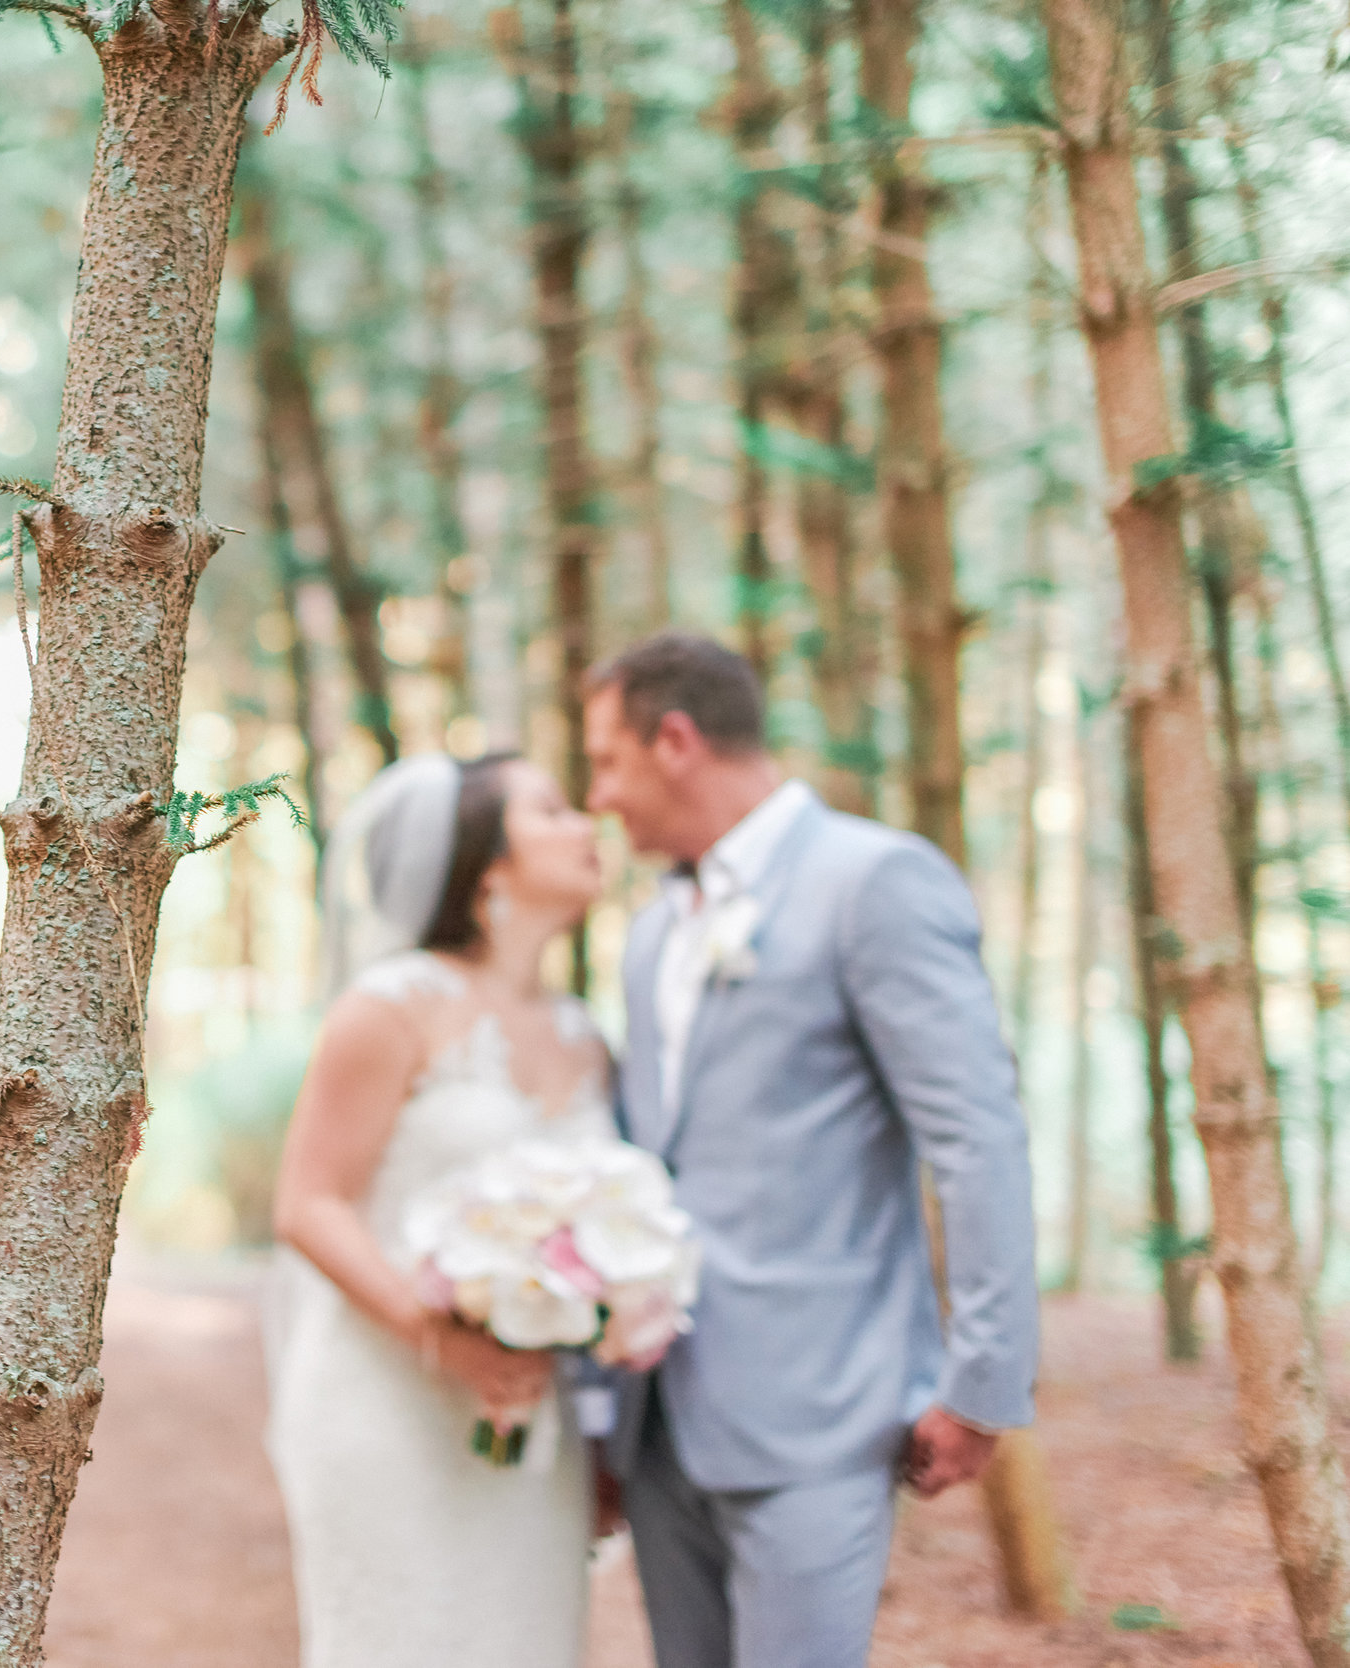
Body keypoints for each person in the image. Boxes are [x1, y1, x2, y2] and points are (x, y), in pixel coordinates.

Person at [581, 631, 1042, 1668]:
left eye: (606, 762)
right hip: (657, 1427)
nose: (598, 797)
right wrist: (602, 1404)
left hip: (819, 1419)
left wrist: (981, 1378)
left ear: (676, 740)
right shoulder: (652, 929)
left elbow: (974, 1134)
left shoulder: (873, 880)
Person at [265, 750, 620, 1668]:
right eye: (552, 808)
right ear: (489, 864)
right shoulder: (391, 1007)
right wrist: (439, 1335)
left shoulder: (587, 1038)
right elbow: (310, 1204)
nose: (586, 824)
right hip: (388, 1395)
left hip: (527, 1413)